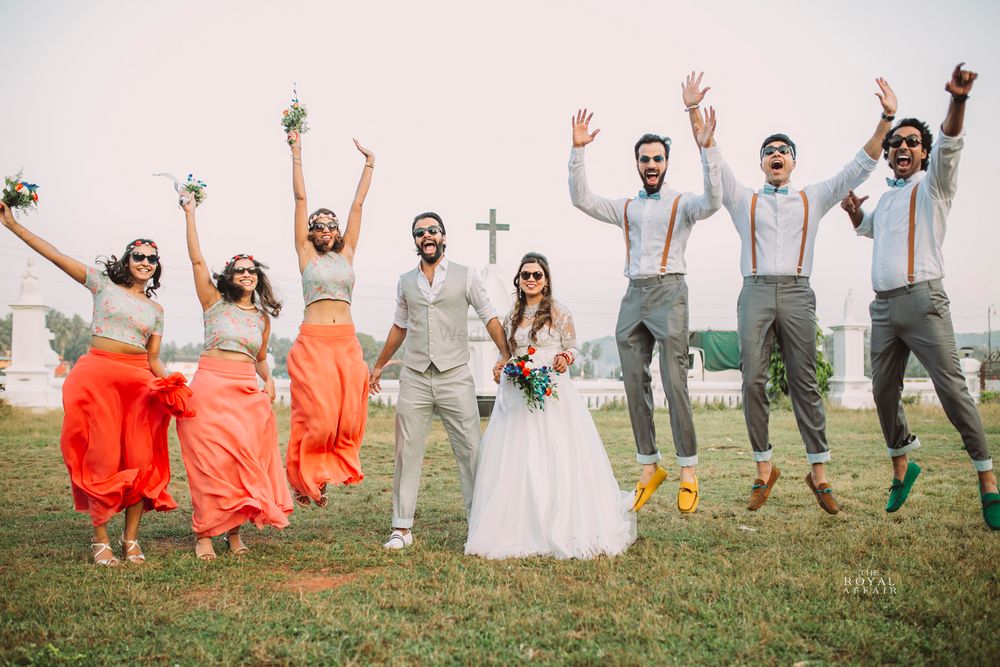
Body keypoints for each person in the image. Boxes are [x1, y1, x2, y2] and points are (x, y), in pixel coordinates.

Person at [684, 71, 897, 513]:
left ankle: (819, 473)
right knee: (753, 381)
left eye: (783, 151)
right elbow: (713, 162)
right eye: (769, 152)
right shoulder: (744, 199)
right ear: (761, 162)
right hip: (755, 292)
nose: (776, 155)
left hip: (799, 293)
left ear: (793, 162)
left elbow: (858, 166)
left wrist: (886, 119)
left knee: (805, 385)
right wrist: (692, 117)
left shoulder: (813, 197)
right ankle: (764, 470)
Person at [840, 63, 998, 529]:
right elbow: (871, 231)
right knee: (883, 391)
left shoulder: (934, 188)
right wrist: (854, 215)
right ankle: (902, 468)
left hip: (925, 302)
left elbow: (950, 143)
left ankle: (987, 478)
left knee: (952, 391)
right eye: (896, 144)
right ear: (888, 157)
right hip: (884, 309)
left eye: (911, 142)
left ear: (924, 155)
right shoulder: (886, 200)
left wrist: (958, 100)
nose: (902, 146)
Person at [1, 202, 182, 565]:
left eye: (151, 259)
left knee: (140, 459)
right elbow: (55, 255)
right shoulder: (102, 285)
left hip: (138, 386)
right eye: (139, 256)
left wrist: (175, 384)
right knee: (100, 457)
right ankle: (100, 537)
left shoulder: (156, 311)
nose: (145, 262)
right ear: (127, 260)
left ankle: (131, 539)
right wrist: (13, 225)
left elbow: (153, 358)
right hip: (98, 378)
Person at [568, 102, 720, 513]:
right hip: (633, 294)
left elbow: (714, 200)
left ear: (667, 163)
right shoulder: (627, 207)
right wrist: (578, 151)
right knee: (634, 383)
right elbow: (582, 199)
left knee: (674, 382)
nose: (650, 164)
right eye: (644, 159)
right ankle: (649, 464)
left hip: (670, 293)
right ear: (637, 163)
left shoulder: (683, 203)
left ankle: (688, 469)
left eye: (657, 158)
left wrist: (708, 150)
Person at [465, 253, 636, 559]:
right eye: (525, 275)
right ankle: (517, 525)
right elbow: (508, 353)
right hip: (519, 396)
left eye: (537, 275)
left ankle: (562, 523)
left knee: (556, 454)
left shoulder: (560, 313)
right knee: (519, 458)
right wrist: (499, 366)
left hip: (553, 395)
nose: (531, 279)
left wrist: (564, 358)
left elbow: (572, 349)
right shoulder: (511, 317)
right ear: (518, 280)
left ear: (546, 281)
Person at [370, 212, 508, 549]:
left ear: (444, 236)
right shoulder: (405, 281)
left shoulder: (467, 275)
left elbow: (489, 315)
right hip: (415, 376)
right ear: (415, 241)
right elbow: (399, 326)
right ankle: (401, 528)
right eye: (420, 233)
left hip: (456, 375)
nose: (426, 236)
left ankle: (479, 524)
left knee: (471, 450)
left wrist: (506, 354)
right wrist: (378, 365)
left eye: (433, 230)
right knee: (407, 451)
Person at [174, 197, 293, 560]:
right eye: (239, 269)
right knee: (208, 464)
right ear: (228, 275)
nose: (246, 274)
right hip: (209, 390)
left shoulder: (261, 318)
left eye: (252, 271)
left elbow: (258, 359)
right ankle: (205, 533)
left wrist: (269, 380)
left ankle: (235, 532)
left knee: (240, 464)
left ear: (258, 278)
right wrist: (190, 214)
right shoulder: (213, 302)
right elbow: (197, 261)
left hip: (244, 393)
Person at [285, 129, 374, 507]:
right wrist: (296, 151)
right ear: (310, 232)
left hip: (347, 343)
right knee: (318, 417)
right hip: (315, 341)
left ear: (337, 233)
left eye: (329, 226)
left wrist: (369, 164)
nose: (323, 229)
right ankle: (304, 476)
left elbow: (357, 206)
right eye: (317, 225)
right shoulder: (306, 255)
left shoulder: (347, 252)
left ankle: (323, 473)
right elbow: (301, 197)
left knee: (348, 417)